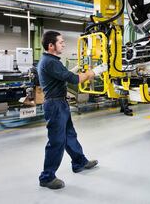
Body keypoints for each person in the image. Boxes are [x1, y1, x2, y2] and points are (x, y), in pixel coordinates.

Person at [38, 31, 108, 190]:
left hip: (60, 104)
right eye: (61, 42)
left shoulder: (52, 60)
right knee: (56, 141)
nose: (63, 44)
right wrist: (95, 71)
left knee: (69, 135)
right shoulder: (50, 62)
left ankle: (79, 162)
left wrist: (77, 70)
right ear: (51, 46)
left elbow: (66, 76)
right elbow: (75, 80)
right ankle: (47, 177)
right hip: (55, 105)